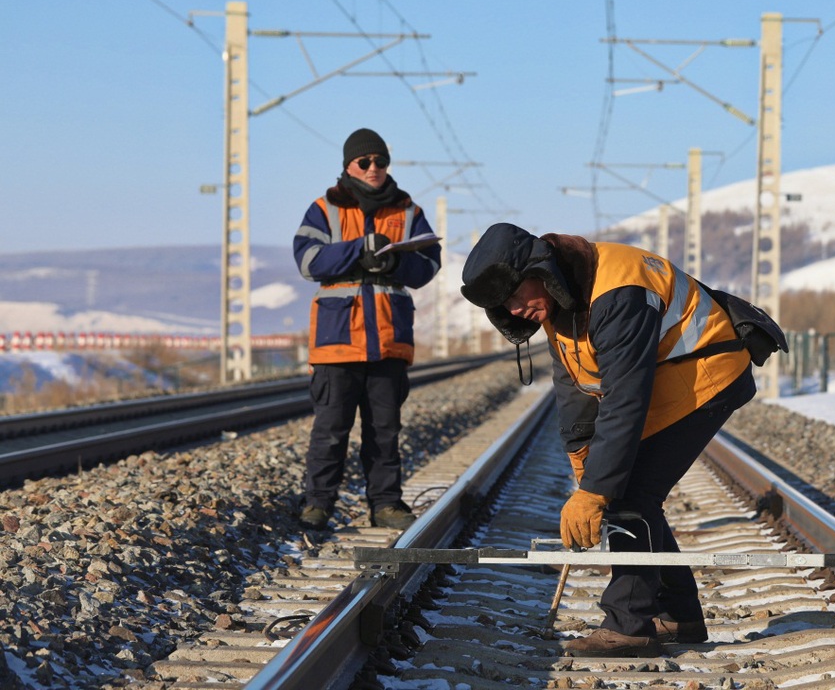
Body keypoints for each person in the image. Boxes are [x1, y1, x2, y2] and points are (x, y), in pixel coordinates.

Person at [460, 222, 759, 658]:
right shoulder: (560, 298)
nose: (514, 308)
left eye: (515, 294)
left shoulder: (619, 289)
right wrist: (584, 462)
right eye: (503, 303)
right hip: (670, 377)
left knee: (631, 494)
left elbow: (624, 400)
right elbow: (574, 385)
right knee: (629, 490)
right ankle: (679, 615)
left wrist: (597, 491)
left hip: (708, 375)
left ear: (539, 271)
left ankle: (630, 624)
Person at [292, 127, 441, 530]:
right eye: (365, 162)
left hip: (389, 339)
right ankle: (318, 504)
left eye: (381, 161)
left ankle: (386, 504)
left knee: (385, 431)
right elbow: (308, 262)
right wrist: (358, 249)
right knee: (330, 431)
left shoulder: (408, 211)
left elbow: (428, 265)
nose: (374, 168)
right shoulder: (325, 208)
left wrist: (394, 263)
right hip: (338, 341)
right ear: (348, 166)